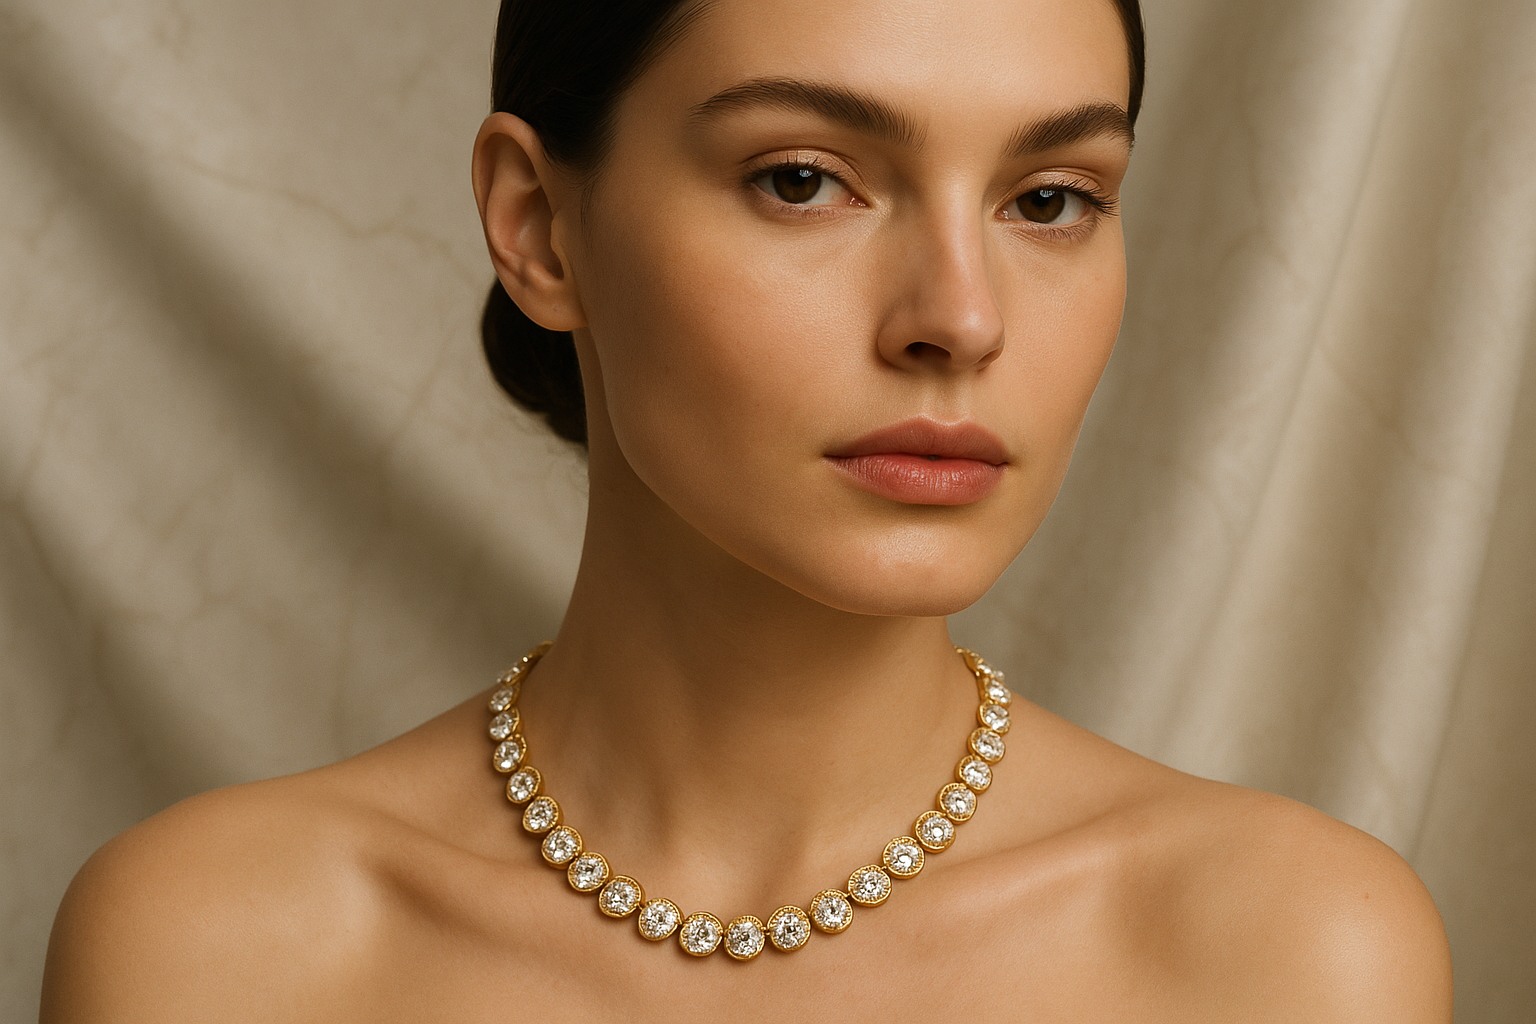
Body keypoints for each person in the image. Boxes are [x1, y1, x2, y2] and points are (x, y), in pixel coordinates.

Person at [40, 0, 1453, 1019]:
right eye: (804, 180)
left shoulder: (1289, 956)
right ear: (536, 224)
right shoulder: (209, 952)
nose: (960, 318)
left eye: (1051, 198)